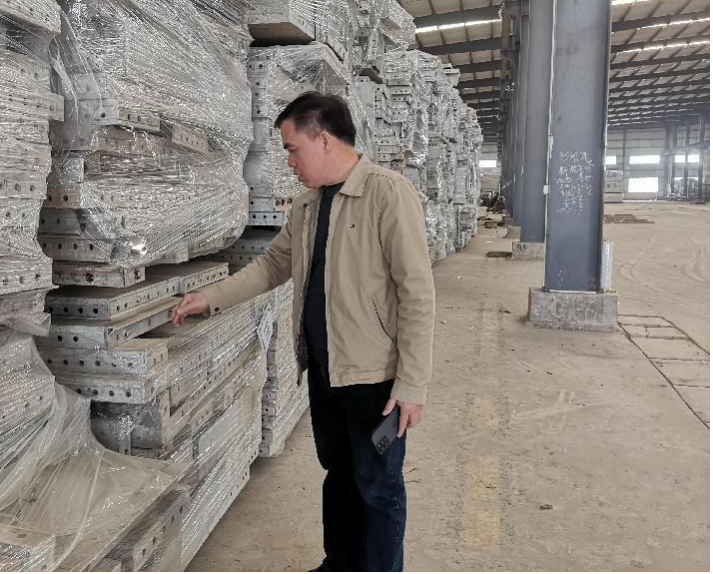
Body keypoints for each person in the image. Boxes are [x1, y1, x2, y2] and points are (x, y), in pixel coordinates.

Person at [171, 92, 436, 573]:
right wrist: (210, 297)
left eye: (293, 149)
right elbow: (272, 266)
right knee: (338, 474)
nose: (289, 162)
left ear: (325, 140)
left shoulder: (387, 194)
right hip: (323, 368)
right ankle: (339, 564)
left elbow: (417, 294)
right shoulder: (307, 205)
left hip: (373, 377)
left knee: (378, 488)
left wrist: (412, 384)